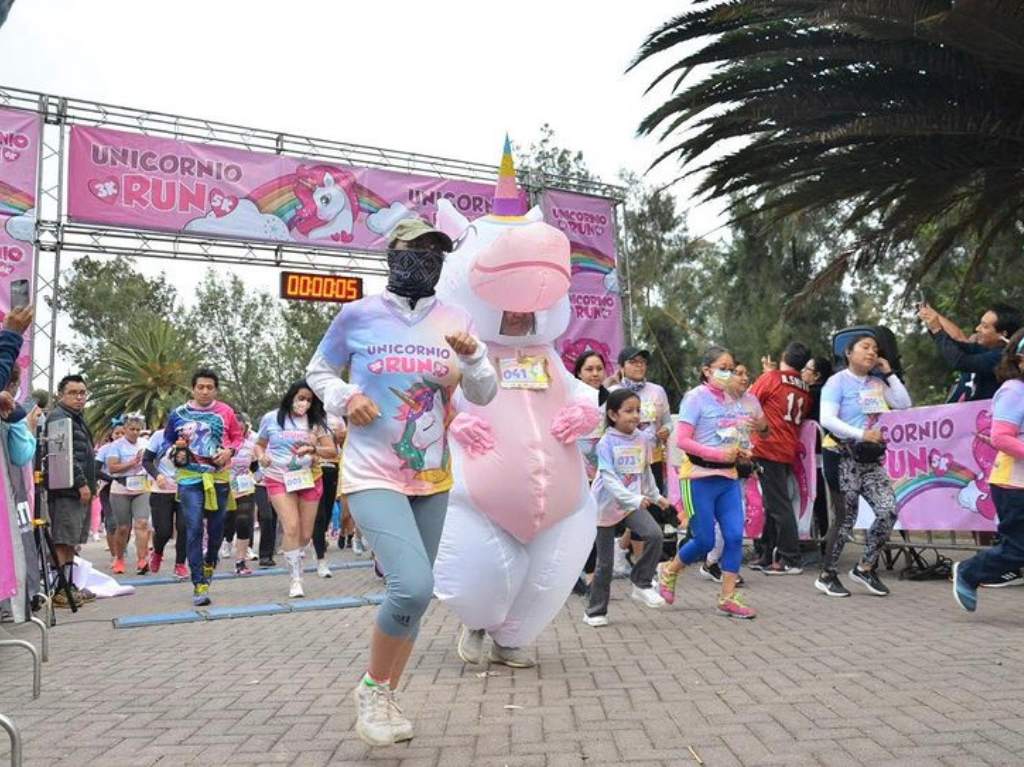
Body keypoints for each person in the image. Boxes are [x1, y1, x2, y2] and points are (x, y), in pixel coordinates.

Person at [306, 216, 497, 747]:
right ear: (392, 254)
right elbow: (319, 371)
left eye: (436, 253)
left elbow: (482, 394)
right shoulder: (357, 315)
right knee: (411, 584)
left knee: (413, 597)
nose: (425, 261)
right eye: (415, 250)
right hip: (371, 471)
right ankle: (373, 689)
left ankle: (385, 697)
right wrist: (346, 398)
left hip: (431, 476)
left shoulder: (457, 319)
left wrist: (475, 357)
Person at [656, 346, 759, 619]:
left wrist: (742, 449)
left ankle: (727, 597)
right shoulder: (695, 398)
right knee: (702, 541)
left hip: (728, 477)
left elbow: (732, 434)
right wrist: (716, 453)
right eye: (722, 368)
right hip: (698, 478)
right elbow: (683, 440)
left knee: (735, 536)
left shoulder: (732, 400)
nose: (728, 373)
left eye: (731, 368)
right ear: (706, 370)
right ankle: (669, 570)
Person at [815, 334, 912, 597]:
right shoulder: (836, 383)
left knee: (888, 510)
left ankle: (865, 567)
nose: (871, 353)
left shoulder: (876, 383)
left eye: (875, 349)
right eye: (865, 347)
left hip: (869, 457)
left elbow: (904, 404)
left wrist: (889, 374)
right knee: (846, 517)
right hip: (841, 454)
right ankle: (827, 574)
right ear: (848, 353)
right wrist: (861, 434)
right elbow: (827, 418)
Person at [584, 389, 669, 626]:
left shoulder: (642, 438)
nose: (635, 416)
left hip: (631, 502)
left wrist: (656, 496)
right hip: (605, 506)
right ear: (612, 414)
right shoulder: (605, 443)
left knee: (654, 534)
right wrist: (634, 499)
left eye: (637, 411)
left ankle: (640, 583)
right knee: (605, 564)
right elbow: (609, 479)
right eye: (628, 411)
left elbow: (645, 471)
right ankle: (595, 611)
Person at [953, 330, 1024, 611]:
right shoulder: (1014, 391)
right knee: (1016, 549)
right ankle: (968, 572)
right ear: (1020, 360)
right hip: (1013, 484)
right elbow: (1001, 437)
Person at [162, 369, 244, 607]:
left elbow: (238, 438)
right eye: (201, 387)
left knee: (217, 529)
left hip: (218, 477)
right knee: (194, 527)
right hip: (189, 478)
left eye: (210, 387)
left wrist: (229, 451)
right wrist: (174, 450)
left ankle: (210, 562)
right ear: (193, 388)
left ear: (215, 390)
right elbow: (167, 439)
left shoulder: (226, 412)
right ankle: (198, 583)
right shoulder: (178, 413)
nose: (205, 391)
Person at [253, 381, 337, 597]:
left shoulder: (316, 421)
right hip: (278, 478)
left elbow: (332, 451)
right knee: (291, 526)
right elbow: (259, 444)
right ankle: (295, 580)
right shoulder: (272, 418)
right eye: (301, 398)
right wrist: (262, 457)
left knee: (305, 534)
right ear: (291, 396)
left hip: (307, 478)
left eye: (309, 400)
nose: (304, 403)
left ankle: (297, 559)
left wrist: (313, 448)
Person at [748, 342, 812, 574]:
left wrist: (765, 375)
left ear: (783, 355)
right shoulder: (805, 387)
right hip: (787, 449)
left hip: (768, 446)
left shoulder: (772, 378)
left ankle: (790, 558)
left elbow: (749, 401)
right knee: (772, 503)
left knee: (778, 505)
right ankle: (766, 553)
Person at [609, 347, 671, 572]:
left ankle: (628, 552)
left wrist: (665, 429)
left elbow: (667, 421)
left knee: (650, 508)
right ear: (622, 366)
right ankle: (640, 561)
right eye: (633, 362)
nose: (639, 366)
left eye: (642, 362)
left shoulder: (657, 391)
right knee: (629, 508)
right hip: (623, 461)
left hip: (651, 458)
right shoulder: (612, 391)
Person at [44, 374, 96, 608]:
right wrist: (82, 483)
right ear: (61, 395)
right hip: (66, 490)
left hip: (77, 490)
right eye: (73, 393)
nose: (79, 397)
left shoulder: (76, 418)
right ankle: (59, 589)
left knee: (71, 540)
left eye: (82, 393)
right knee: (63, 539)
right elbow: (66, 455)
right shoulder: (59, 417)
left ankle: (69, 586)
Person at [918, 302, 1022, 402]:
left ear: (1003, 334)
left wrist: (937, 330)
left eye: (985, 326)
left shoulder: (1002, 357)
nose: (977, 329)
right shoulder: (988, 350)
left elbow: (960, 361)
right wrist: (934, 326)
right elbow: (958, 344)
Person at [572, 350, 610, 595]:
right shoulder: (570, 396)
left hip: (603, 472)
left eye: (599, 369)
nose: (595, 374)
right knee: (578, 525)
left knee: (599, 523)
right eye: (589, 369)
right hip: (574, 471)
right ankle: (575, 574)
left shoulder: (611, 399)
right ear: (578, 372)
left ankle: (594, 576)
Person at [104, 413, 153, 575]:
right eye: (131, 429)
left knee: (142, 523)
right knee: (123, 527)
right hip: (120, 488)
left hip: (141, 488)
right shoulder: (116, 446)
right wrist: (131, 463)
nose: (135, 432)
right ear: (125, 429)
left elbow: (153, 460)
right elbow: (112, 468)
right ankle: (119, 558)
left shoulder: (145, 443)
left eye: (138, 429)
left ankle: (142, 559)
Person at [142, 428, 188, 579]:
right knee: (164, 531)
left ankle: (180, 564)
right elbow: (146, 460)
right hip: (161, 490)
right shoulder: (159, 436)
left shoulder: (194, 436)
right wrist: (157, 475)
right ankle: (157, 552)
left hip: (186, 487)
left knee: (184, 527)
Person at [311, 414, 346, 577]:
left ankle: (320, 557)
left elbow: (333, 449)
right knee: (313, 517)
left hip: (329, 468)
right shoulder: (281, 421)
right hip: (299, 473)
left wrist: (339, 435)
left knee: (324, 513)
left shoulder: (331, 419)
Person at [224, 413, 258, 577]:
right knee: (225, 523)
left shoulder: (251, 445)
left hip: (245, 487)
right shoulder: (220, 444)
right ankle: (220, 546)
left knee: (244, 521)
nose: (239, 432)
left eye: (242, 429)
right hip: (223, 487)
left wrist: (261, 477)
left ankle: (240, 561)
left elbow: (257, 466)